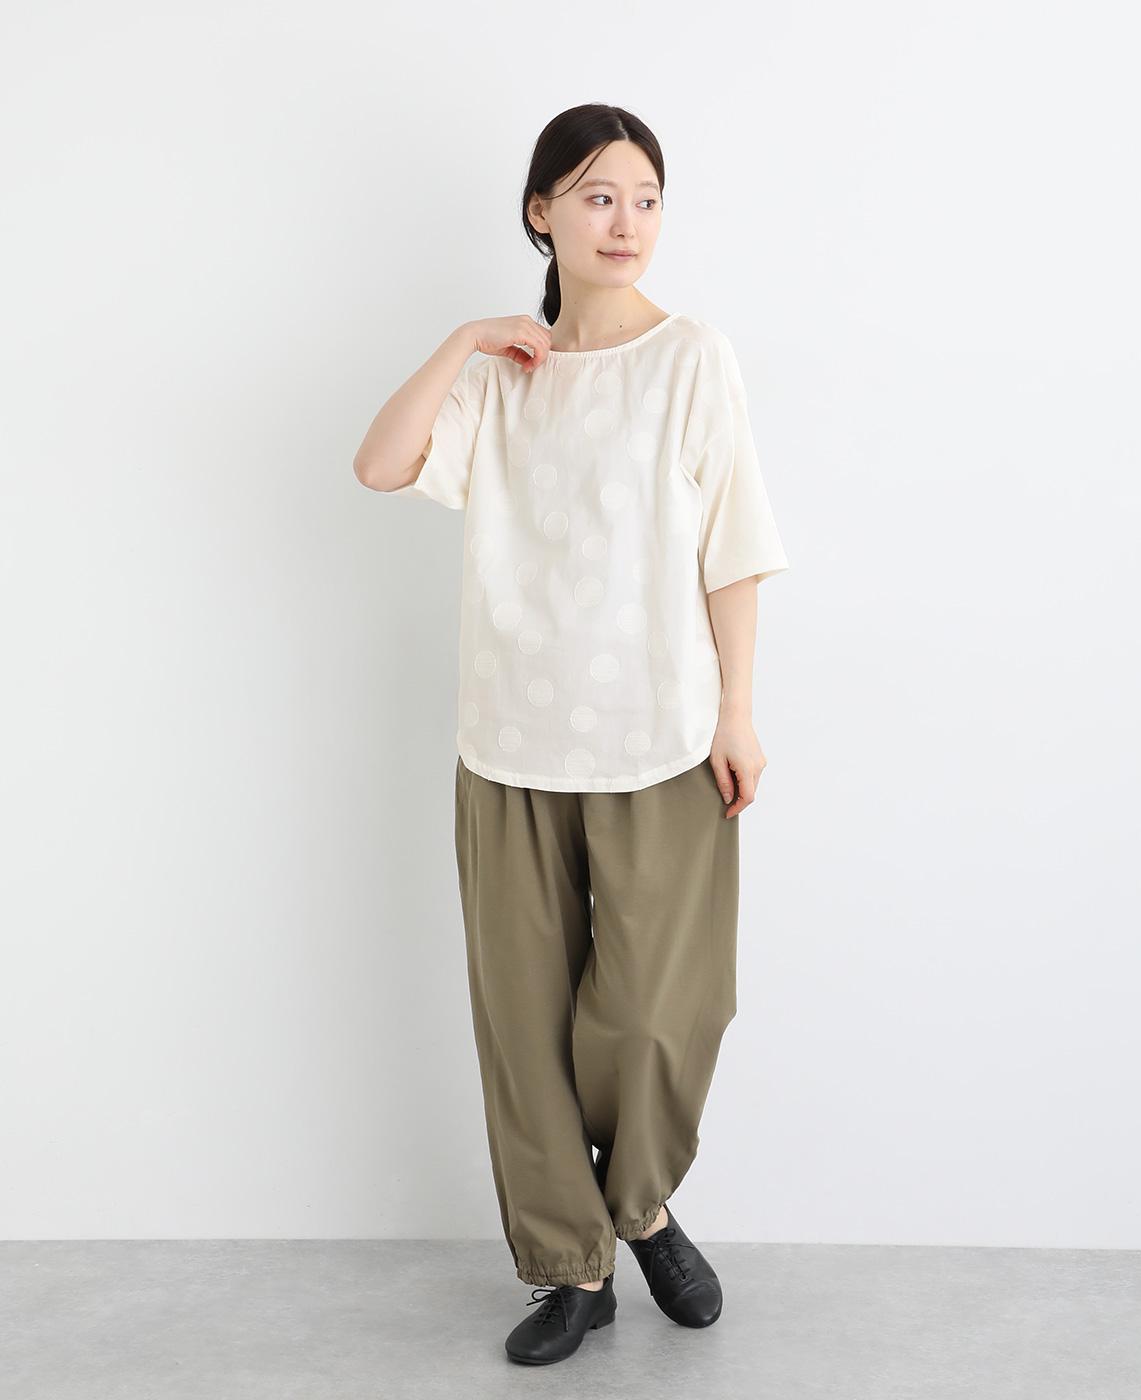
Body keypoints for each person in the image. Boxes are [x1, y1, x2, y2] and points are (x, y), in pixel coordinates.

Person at [353, 103, 790, 1366]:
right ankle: (571, 1268)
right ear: (541, 212)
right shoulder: (503, 376)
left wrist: (740, 709)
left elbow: (734, 544)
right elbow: (381, 464)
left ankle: (638, 1203)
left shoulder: (691, 357)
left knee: (659, 1011)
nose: (626, 222)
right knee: (524, 1023)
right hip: (508, 741)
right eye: (598, 196)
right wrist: (463, 341)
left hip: (664, 735)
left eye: (646, 197)